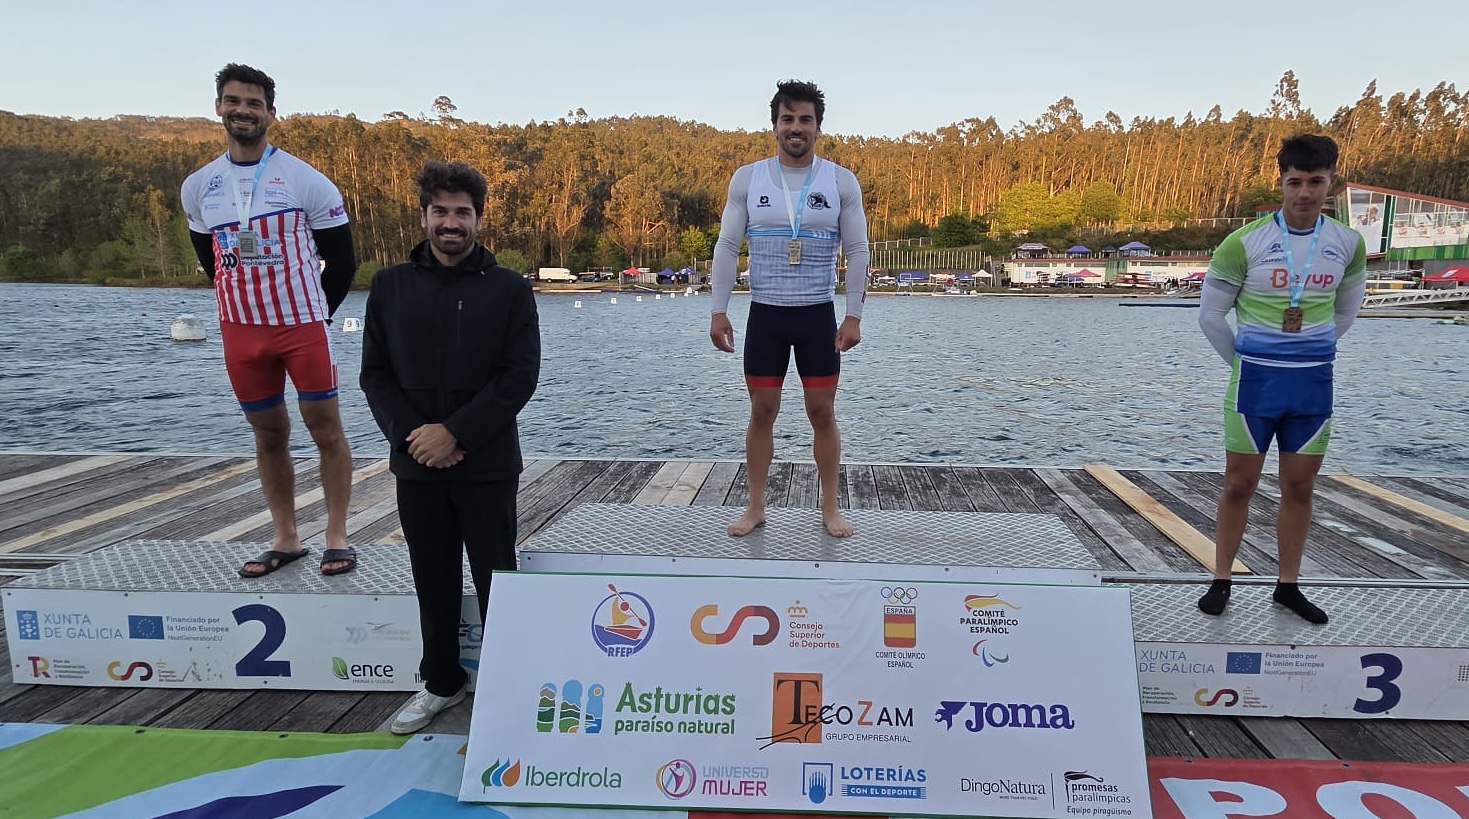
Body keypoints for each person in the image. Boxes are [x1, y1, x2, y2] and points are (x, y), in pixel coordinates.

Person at [360, 161, 541, 734]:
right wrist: (416, 439)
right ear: (424, 217)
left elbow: (520, 375)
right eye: (440, 211)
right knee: (432, 580)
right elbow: (375, 375)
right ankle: (441, 682)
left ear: (478, 220)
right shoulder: (389, 286)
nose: (451, 222)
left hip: (487, 465)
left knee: (497, 580)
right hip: (417, 465)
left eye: (462, 212)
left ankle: (508, 688)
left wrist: (456, 433)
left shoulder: (510, 289)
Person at [181, 63, 359, 578]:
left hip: (300, 325)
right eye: (234, 101)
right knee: (268, 433)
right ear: (219, 107)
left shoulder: (305, 180)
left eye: (254, 104)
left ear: (270, 113)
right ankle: (286, 537)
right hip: (241, 331)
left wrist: (317, 315)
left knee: (325, 428)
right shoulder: (199, 186)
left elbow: (343, 262)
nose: (243, 111)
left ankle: (337, 536)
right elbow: (211, 261)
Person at [1196, 134, 1367, 624]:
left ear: (1331, 182)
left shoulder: (1348, 243)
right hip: (1255, 385)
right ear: (1282, 183)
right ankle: (1221, 579)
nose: (1305, 193)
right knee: (1238, 485)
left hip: (1311, 386)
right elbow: (1210, 317)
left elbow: (1345, 314)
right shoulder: (1243, 242)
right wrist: (1245, 363)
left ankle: (1287, 587)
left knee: (1299, 488)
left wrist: (1308, 350)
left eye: (1316, 181)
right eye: (1295, 182)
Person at [708, 79, 870, 539]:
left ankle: (830, 508)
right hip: (767, 315)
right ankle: (756, 507)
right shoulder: (748, 178)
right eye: (787, 119)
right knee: (762, 411)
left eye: (805, 120)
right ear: (775, 125)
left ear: (818, 127)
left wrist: (853, 315)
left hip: (817, 315)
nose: (795, 127)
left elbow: (858, 250)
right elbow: (726, 246)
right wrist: (718, 310)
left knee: (822, 412)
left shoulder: (840, 180)